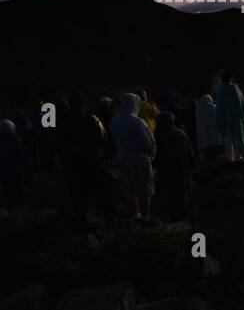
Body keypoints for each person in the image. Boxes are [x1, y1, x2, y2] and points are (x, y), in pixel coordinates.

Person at [55, 92, 114, 229]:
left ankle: (81, 222)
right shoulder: (92, 119)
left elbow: (58, 144)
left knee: (77, 195)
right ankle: (110, 219)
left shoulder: (62, 122)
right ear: (83, 104)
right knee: (103, 191)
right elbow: (104, 138)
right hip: (92, 161)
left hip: (73, 164)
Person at [110, 92, 156, 221]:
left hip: (124, 159)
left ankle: (135, 214)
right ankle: (145, 216)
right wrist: (152, 154)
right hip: (141, 160)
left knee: (130, 189)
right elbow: (148, 141)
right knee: (144, 190)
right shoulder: (137, 121)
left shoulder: (116, 120)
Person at [154, 111, 195, 223]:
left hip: (164, 169)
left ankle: (169, 216)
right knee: (180, 193)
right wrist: (192, 166)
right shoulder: (181, 134)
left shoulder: (157, 135)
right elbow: (190, 154)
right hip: (180, 168)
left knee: (167, 193)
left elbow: (154, 153)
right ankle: (181, 215)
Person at [214, 71, 244, 161]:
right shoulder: (235, 88)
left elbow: (219, 106)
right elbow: (241, 102)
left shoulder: (220, 91)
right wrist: (243, 115)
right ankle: (238, 157)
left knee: (228, 139)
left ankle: (229, 157)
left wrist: (221, 117)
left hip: (224, 119)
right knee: (238, 138)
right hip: (236, 118)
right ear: (231, 78)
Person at [0, 119, 32, 209]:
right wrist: (30, 166)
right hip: (15, 175)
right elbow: (24, 157)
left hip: (3, 175)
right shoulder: (16, 141)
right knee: (16, 197)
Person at [195, 93, 221, 161]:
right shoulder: (213, 107)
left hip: (203, 133)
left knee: (207, 152)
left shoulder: (198, 109)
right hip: (213, 132)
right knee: (215, 152)